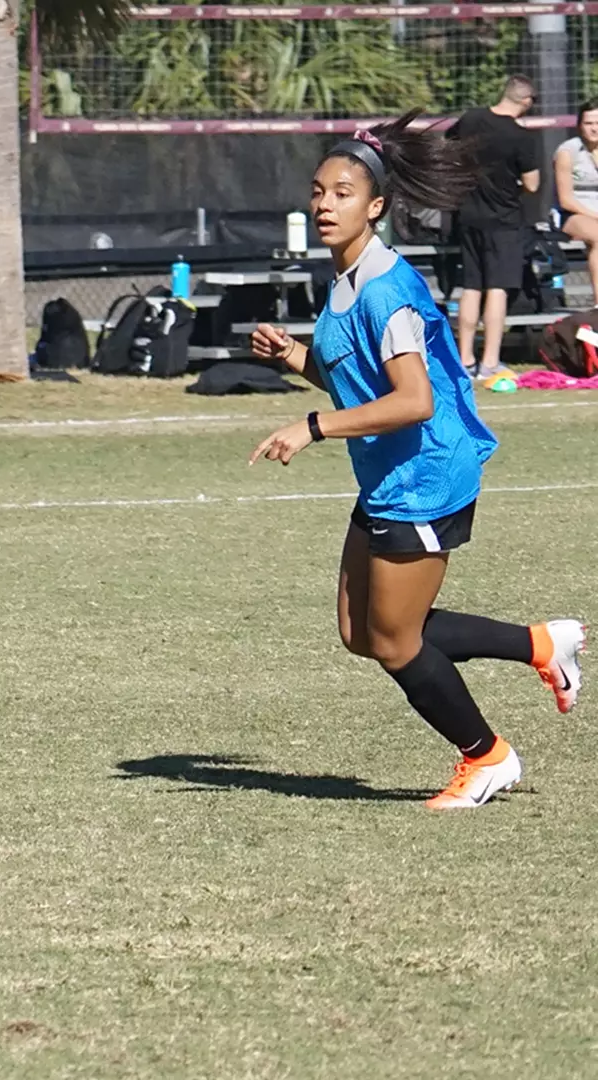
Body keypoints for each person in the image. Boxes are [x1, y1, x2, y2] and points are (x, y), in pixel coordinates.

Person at [249, 113, 583, 810]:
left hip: (427, 476)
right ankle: (540, 644)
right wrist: (295, 359)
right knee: (359, 632)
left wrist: (313, 426)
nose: (323, 204)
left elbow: (413, 402)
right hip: (388, 474)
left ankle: (487, 757)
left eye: (342, 193)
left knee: (396, 642)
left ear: (376, 207)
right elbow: (358, 384)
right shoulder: (344, 281)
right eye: (317, 191)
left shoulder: (386, 290)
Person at [449, 76, 541, 381]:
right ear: (526, 101)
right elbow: (532, 183)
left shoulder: (471, 119)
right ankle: (489, 361)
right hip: (504, 220)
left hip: (467, 216)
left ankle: (464, 359)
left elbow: (447, 149)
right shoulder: (520, 136)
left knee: (471, 287)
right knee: (497, 288)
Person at [552, 100, 598, 245]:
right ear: (579, 126)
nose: (594, 129)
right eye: (588, 124)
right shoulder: (568, 152)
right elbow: (566, 201)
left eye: (597, 123)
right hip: (573, 214)